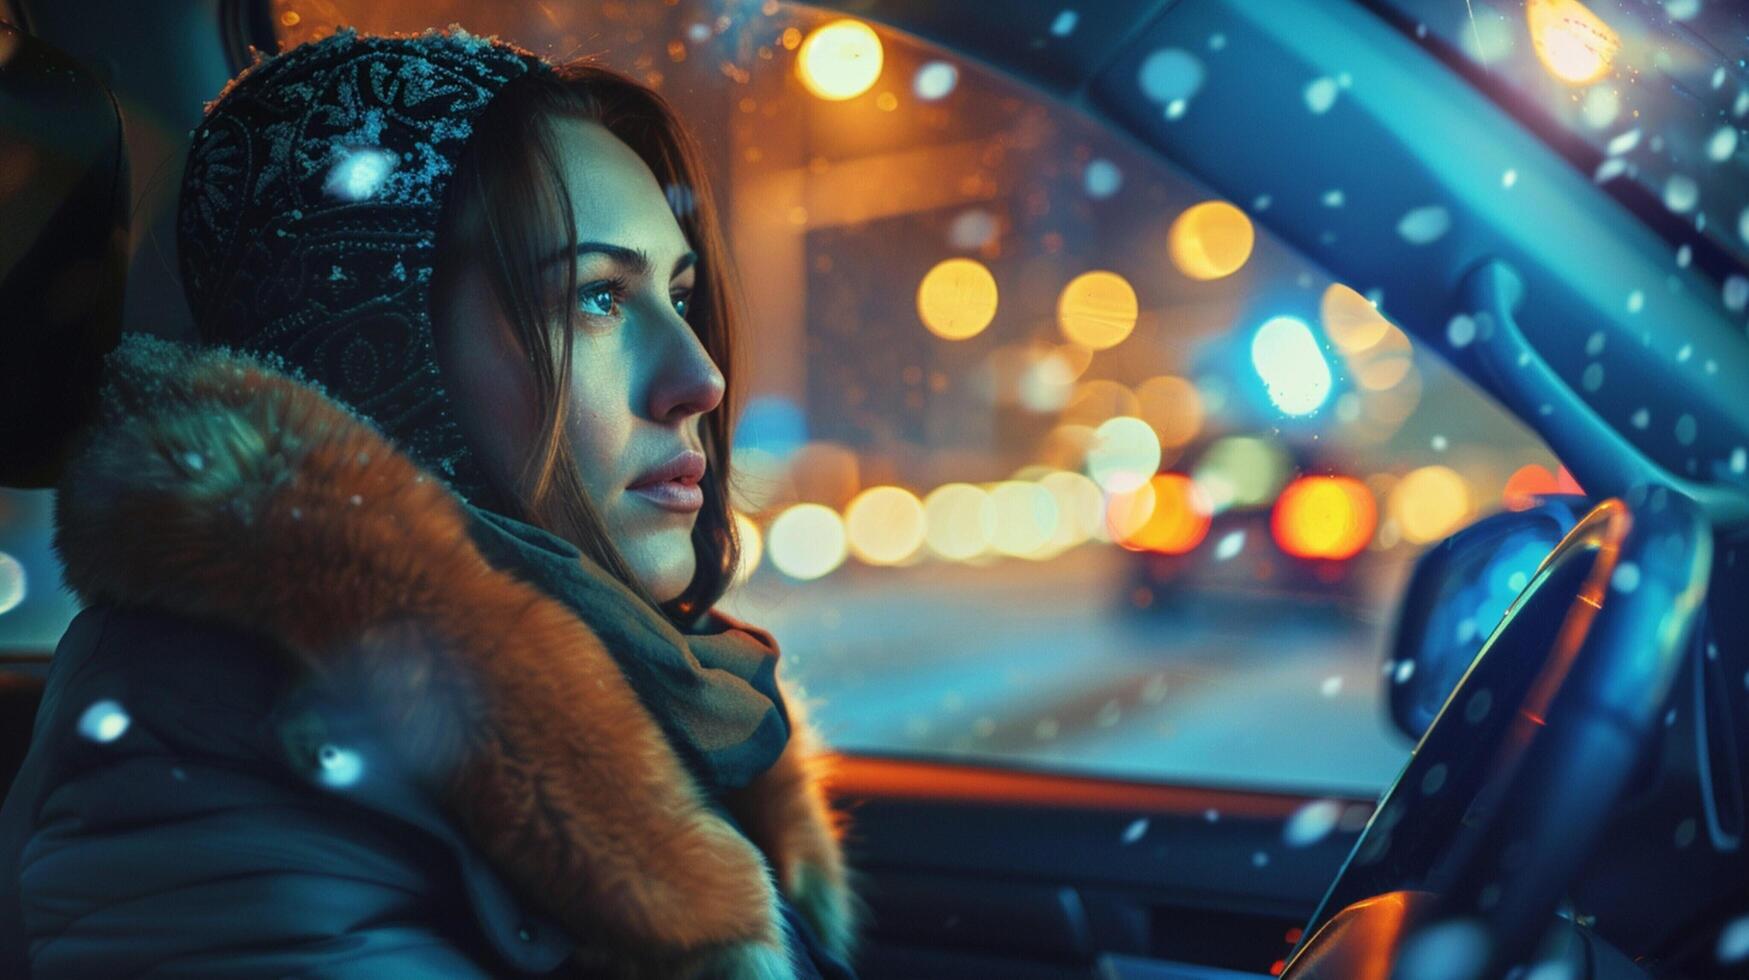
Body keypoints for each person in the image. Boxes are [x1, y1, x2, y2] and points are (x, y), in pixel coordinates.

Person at [0, 26, 864, 979]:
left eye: (680, 294)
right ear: (374, 346)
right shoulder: (203, 757)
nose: (697, 377)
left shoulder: (633, 679)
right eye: (595, 299)